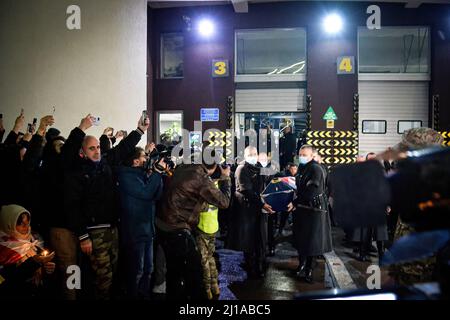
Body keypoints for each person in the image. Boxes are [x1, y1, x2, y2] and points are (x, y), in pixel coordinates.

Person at [63, 113, 149, 299]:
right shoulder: (76, 172)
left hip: (112, 228)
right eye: (91, 148)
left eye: (98, 148)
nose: (97, 151)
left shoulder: (105, 164)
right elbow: (73, 206)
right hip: (94, 232)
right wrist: (83, 235)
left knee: (113, 272)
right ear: (82, 152)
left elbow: (123, 148)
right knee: (103, 278)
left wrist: (140, 130)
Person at [155, 156, 231, 300]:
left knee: (174, 272)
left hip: (161, 223)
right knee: (194, 274)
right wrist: (226, 178)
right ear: (214, 168)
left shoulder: (183, 167)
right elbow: (224, 201)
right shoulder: (202, 179)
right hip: (177, 228)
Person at [117, 147, 164, 299]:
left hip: (147, 230)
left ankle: (144, 296)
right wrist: (156, 173)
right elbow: (146, 193)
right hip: (134, 232)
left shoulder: (142, 174)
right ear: (135, 161)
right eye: (144, 156)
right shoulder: (126, 176)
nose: (147, 159)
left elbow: (156, 195)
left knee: (148, 270)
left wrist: (157, 174)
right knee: (137, 271)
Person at [288, 145, 332, 283]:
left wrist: (294, 203)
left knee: (312, 242)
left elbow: (311, 191)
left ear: (312, 155)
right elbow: (300, 186)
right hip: (302, 209)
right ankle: (301, 265)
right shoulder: (303, 167)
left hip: (314, 211)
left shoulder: (315, 168)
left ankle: (309, 270)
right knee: (302, 240)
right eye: (300, 153)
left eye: (304, 154)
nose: (301, 156)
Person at [228, 146, 275, 278]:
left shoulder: (257, 167)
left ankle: (257, 263)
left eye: (255, 153)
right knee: (249, 239)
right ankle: (252, 266)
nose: (254, 156)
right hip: (247, 209)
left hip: (256, 208)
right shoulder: (242, 168)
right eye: (251, 154)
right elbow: (246, 191)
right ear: (245, 155)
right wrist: (262, 204)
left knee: (258, 238)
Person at [0, 205, 55, 299]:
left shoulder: (34, 242)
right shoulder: (3, 249)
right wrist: (35, 262)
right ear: (9, 225)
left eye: (27, 222)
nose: (26, 227)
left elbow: (43, 282)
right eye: (21, 223)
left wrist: (47, 270)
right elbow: (8, 282)